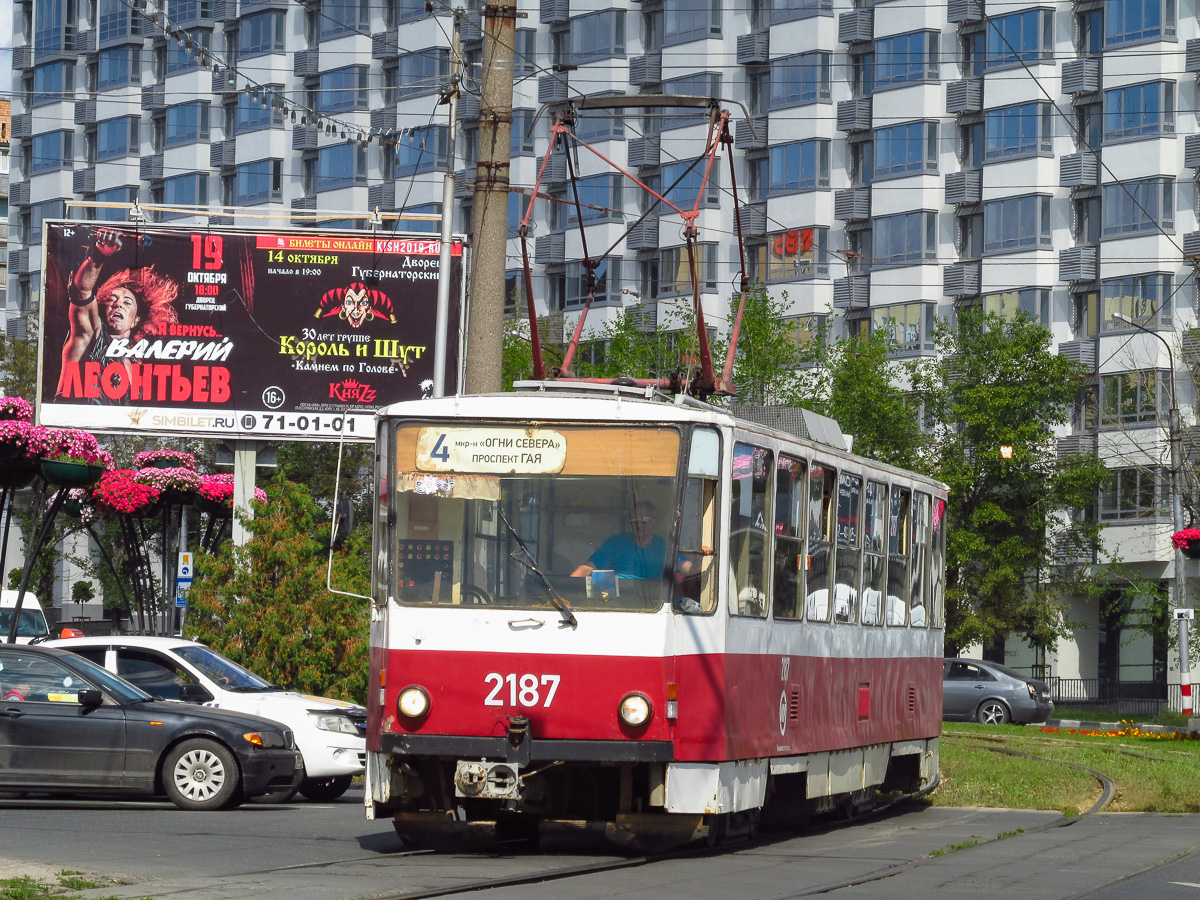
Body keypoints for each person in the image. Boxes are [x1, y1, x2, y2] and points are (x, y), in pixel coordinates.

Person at [57, 228, 180, 401]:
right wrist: (98, 256)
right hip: (74, 426)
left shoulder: (137, 364)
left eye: (127, 302)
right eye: (111, 299)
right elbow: (82, 291)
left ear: (136, 320)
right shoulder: (90, 336)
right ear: (102, 309)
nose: (117, 304)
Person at [571, 501, 667, 581]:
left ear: (655, 521)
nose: (638, 525)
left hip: (652, 601)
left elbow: (682, 565)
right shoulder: (616, 543)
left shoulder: (665, 546)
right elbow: (587, 568)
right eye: (634, 521)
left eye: (644, 520)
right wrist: (567, 590)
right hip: (619, 599)